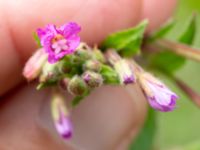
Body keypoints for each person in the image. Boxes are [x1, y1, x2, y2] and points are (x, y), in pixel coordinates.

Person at [0, 0, 176, 149]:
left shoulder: (78, 54)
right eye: (54, 41)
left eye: (60, 39)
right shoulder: (59, 59)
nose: (59, 43)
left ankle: (149, 85)